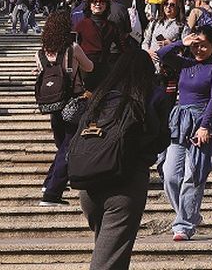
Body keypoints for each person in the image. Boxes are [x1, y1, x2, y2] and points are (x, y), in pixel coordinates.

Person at [76, 40, 171, 269]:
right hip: (126, 182)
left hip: (88, 184)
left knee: (109, 252)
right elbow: (161, 139)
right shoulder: (152, 95)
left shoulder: (101, 95)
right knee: (108, 261)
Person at [156, 26, 212, 241]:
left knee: (192, 176)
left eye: (204, 45)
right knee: (170, 175)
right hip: (179, 120)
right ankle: (190, 214)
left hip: (201, 120)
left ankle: (183, 225)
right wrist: (181, 43)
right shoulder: (185, 64)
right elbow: (161, 55)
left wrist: (205, 126)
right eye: (196, 45)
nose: (199, 49)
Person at [34, 11, 94, 206]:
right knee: (68, 148)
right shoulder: (72, 48)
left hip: (52, 105)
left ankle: (48, 183)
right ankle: (52, 193)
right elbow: (89, 67)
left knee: (62, 147)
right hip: (72, 104)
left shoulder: (41, 52)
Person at [75, 0, 121, 88]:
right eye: (94, 2)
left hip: (105, 67)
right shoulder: (82, 24)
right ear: (90, 4)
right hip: (86, 66)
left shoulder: (112, 26)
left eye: (101, 2)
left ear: (106, 5)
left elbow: (122, 45)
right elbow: (74, 45)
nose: (98, 4)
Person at [143, 0, 184, 70]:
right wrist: (148, 52)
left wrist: (171, 44)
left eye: (172, 5)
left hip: (168, 69)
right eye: (166, 4)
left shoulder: (183, 26)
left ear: (178, 7)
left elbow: (185, 48)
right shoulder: (155, 22)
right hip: (149, 65)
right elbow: (145, 41)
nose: (168, 7)